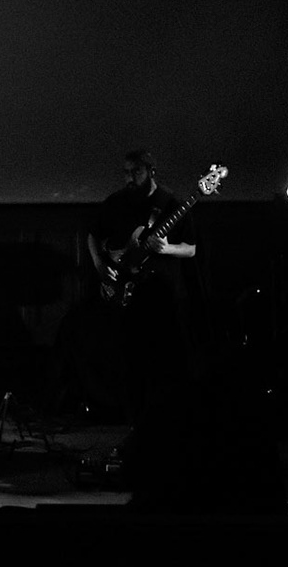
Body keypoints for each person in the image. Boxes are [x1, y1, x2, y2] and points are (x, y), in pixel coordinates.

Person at [84, 150, 205, 430]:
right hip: (125, 295)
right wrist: (101, 268)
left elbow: (192, 249)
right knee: (129, 362)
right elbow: (93, 234)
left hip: (163, 296)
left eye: (135, 172)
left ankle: (169, 424)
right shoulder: (115, 203)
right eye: (126, 172)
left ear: (151, 170)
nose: (129, 178)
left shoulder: (171, 203)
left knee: (166, 362)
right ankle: (133, 423)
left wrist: (168, 248)